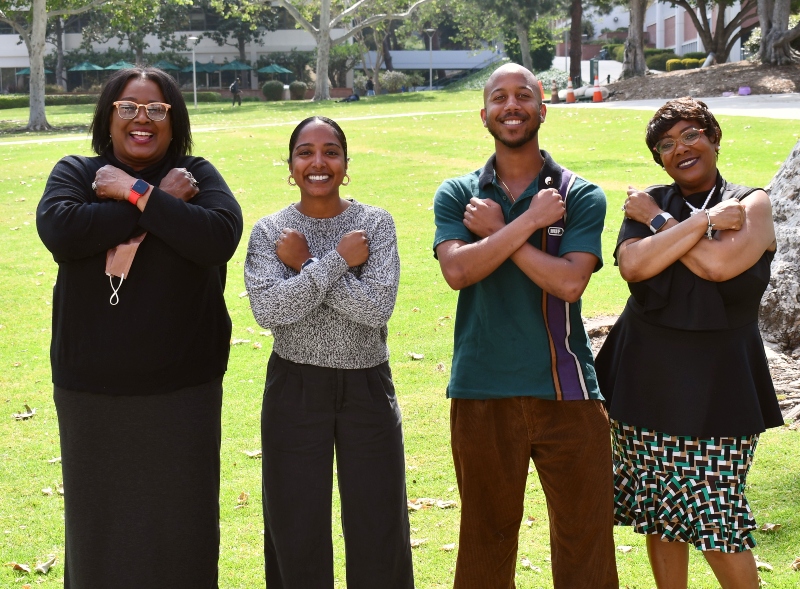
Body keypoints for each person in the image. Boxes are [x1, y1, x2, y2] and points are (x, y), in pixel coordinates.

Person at [36, 67, 243, 589]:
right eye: (128, 107)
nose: (142, 119)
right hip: (93, 392)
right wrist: (156, 200)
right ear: (108, 117)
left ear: (175, 122)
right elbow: (63, 231)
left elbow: (218, 237)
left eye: (156, 109)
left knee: (183, 526)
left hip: (183, 391)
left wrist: (133, 192)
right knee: (99, 527)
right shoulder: (77, 172)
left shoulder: (195, 174)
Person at [432, 63, 618, 588]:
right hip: (481, 388)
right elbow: (459, 270)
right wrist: (529, 224)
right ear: (484, 113)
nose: (510, 105)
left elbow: (568, 284)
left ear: (543, 106)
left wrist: (504, 230)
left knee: (587, 544)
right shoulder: (458, 192)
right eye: (498, 97)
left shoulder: (579, 194)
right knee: (485, 543)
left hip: (567, 391)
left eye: (523, 95)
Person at [595, 97, 783, 589]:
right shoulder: (649, 202)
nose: (680, 148)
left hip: (721, 382)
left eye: (691, 135)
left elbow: (718, 267)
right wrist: (693, 221)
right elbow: (634, 266)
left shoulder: (752, 203)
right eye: (666, 144)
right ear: (659, 159)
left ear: (714, 138)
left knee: (717, 516)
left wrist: (665, 229)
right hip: (645, 378)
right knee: (661, 508)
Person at [244, 116, 414, 588]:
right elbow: (270, 309)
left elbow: (375, 309)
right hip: (294, 386)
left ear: (345, 163)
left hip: (366, 384)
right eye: (305, 152)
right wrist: (335, 263)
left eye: (331, 151)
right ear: (291, 164)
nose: (318, 162)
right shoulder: (272, 232)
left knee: (379, 520)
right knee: (294, 521)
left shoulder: (373, 225)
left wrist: (305, 269)